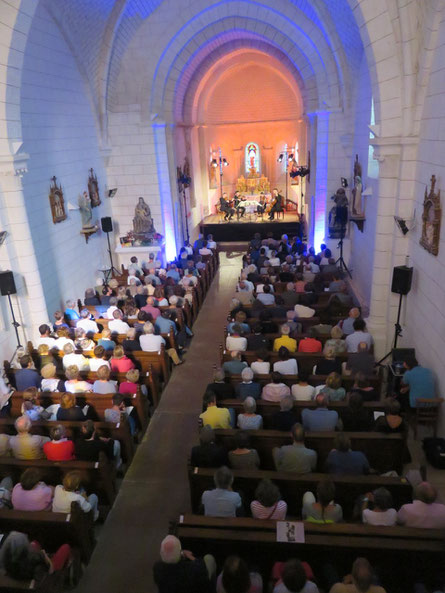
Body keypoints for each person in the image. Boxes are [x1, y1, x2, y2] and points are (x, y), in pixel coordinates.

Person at [0, 531, 72, 585]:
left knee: (35, 543)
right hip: (48, 570)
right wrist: (44, 556)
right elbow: (51, 570)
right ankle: (67, 568)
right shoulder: (35, 562)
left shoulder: (8, 563)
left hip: (21, 571)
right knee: (66, 547)